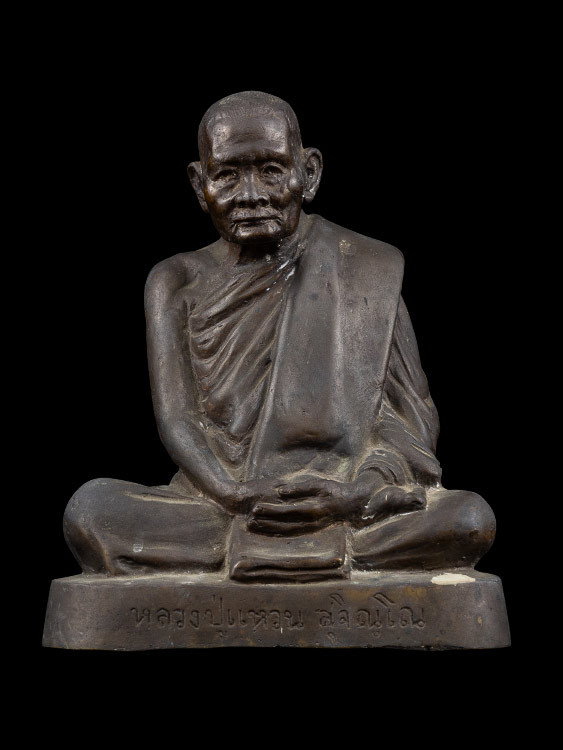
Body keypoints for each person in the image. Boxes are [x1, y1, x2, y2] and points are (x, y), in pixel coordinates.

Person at [64, 91, 495, 581]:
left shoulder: (365, 270)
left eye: (271, 170)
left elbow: (408, 423)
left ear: (308, 174)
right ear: (200, 183)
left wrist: (356, 494)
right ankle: (310, 555)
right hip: (222, 501)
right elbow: (179, 421)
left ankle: (287, 548)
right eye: (228, 175)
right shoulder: (175, 282)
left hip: (343, 500)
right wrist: (234, 494)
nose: (250, 194)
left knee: (470, 519)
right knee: (90, 511)